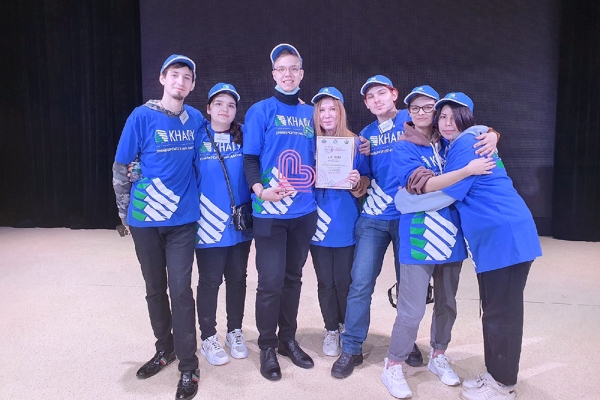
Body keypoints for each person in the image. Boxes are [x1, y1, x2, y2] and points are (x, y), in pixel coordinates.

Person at [331, 77, 497, 380]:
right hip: (374, 218)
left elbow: (470, 129)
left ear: (395, 95)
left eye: (382, 93)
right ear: (366, 103)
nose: (377, 99)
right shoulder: (366, 135)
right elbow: (364, 180)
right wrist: (356, 183)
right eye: (370, 96)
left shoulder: (426, 125)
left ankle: (406, 346)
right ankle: (352, 346)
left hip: (413, 218)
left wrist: (493, 135)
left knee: (411, 291)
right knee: (361, 284)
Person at [396, 92, 542, 400]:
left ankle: (502, 385)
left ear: (467, 119)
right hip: (495, 239)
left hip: (505, 236)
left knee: (502, 314)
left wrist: (404, 201)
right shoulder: (468, 141)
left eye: (454, 117)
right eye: (443, 117)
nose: (447, 123)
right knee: (494, 310)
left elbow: (446, 192)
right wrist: (492, 133)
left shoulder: (466, 144)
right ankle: (495, 374)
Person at [381, 86, 496, 398]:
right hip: (418, 236)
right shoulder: (403, 147)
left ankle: (438, 354)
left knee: (447, 303)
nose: (422, 113)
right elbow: (419, 185)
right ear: (408, 112)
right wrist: (465, 173)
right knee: (412, 308)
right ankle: (393, 364)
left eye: (428, 107)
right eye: (415, 108)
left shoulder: (451, 143)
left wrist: (493, 135)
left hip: (451, 236)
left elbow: (479, 134)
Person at [112, 54, 205, 400]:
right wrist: (125, 215)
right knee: (154, 288)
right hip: (146, 220)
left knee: (180, 290)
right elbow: (121, 167)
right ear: (163, 79)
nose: (180, 81)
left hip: (182, 221)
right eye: (174, 75)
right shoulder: (141, 116)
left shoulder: (196, 119)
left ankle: (189, 365)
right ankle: (164, 349)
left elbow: (212, 149)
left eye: (187, 77)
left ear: (192, 85)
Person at [243, 43, 317, 381]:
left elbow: (330, 147)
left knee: (293, 278)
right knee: (270, 282)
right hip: (270, 211)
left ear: (301, 74)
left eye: (293, 69)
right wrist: (260, 191)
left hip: (304, 211)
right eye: (281, 69)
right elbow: (250, 158)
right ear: (273, 74)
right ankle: (267, 346)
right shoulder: (261, 110)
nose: (288, 74)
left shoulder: (310, 113)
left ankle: (288, 339)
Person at [194, 83, 253, 366]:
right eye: (218, 104)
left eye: (231, 105)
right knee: (210, 280)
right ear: (208, 108)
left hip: (240, 222)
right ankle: (208, 336)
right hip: (208, 223)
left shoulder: (245, 135)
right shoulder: (197, 136)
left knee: (238, 278)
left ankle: (234, 331)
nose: (225, 109)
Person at [309, 87, 369, 357]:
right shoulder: (309, 143)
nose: (327, 114)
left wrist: (357, 182)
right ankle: (331, 328)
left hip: (345, 221)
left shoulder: (356, 143)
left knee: (345, 280)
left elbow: (365, 182)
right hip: (317, 222)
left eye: (332, 108)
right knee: (325, 281)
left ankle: (346, 325)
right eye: (321, 109)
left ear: (341, 112)